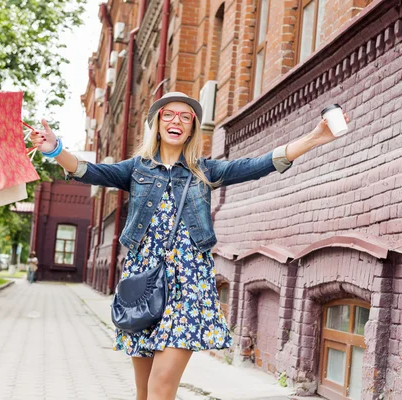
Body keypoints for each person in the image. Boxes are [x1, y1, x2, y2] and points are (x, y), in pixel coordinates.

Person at [29, 92, 349, 400]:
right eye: (169, 114)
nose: (176, 120)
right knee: (144, 392)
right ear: (157, 123)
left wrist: (314, 138)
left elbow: (258, 164)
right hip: (144, 280)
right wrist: (55, 149)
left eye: (185, 116)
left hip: (189, 280)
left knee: (161, 387)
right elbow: (88, 171)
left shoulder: (204, 171)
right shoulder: (137, 168)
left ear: (192, 128)